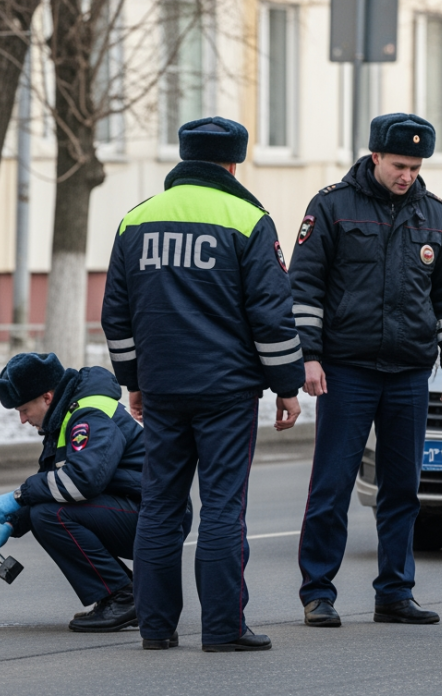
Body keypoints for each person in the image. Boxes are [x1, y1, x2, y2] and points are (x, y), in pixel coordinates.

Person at [102, 116, 304, 652]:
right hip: (227, 392)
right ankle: (222, 628)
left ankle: (154, 627)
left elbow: (116, 317)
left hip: (163, 390)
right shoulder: (247, 218)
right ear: (233, 163)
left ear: (184, 156)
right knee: (221, 506)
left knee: (161, 505)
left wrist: (133, 381)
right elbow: (271, 314)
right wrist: (287, 385)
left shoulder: (136, 219)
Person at [287, 113, 442, 629]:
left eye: (414, 166)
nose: (407, 174)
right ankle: (318, 593)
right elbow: (305, 288)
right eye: (398, 164)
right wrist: (310, 355)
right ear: (375, 158)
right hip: (347, 369)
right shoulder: (331, 207)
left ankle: (395, 592)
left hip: (410, 372)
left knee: (402, 490)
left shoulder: (435, 216)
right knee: (332, 485)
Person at [0, 353, 175, 632]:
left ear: (47, 397)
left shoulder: (88, 415)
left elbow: (82, 481)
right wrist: (12, 522)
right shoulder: (65, 416)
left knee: (48, 515)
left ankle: (124, 597)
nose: (22, 419)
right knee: (41, 511)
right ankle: (120, 595)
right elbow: (52, 484)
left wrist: (17, 497)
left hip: (159, 518)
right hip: (138, 510)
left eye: (23, 409)